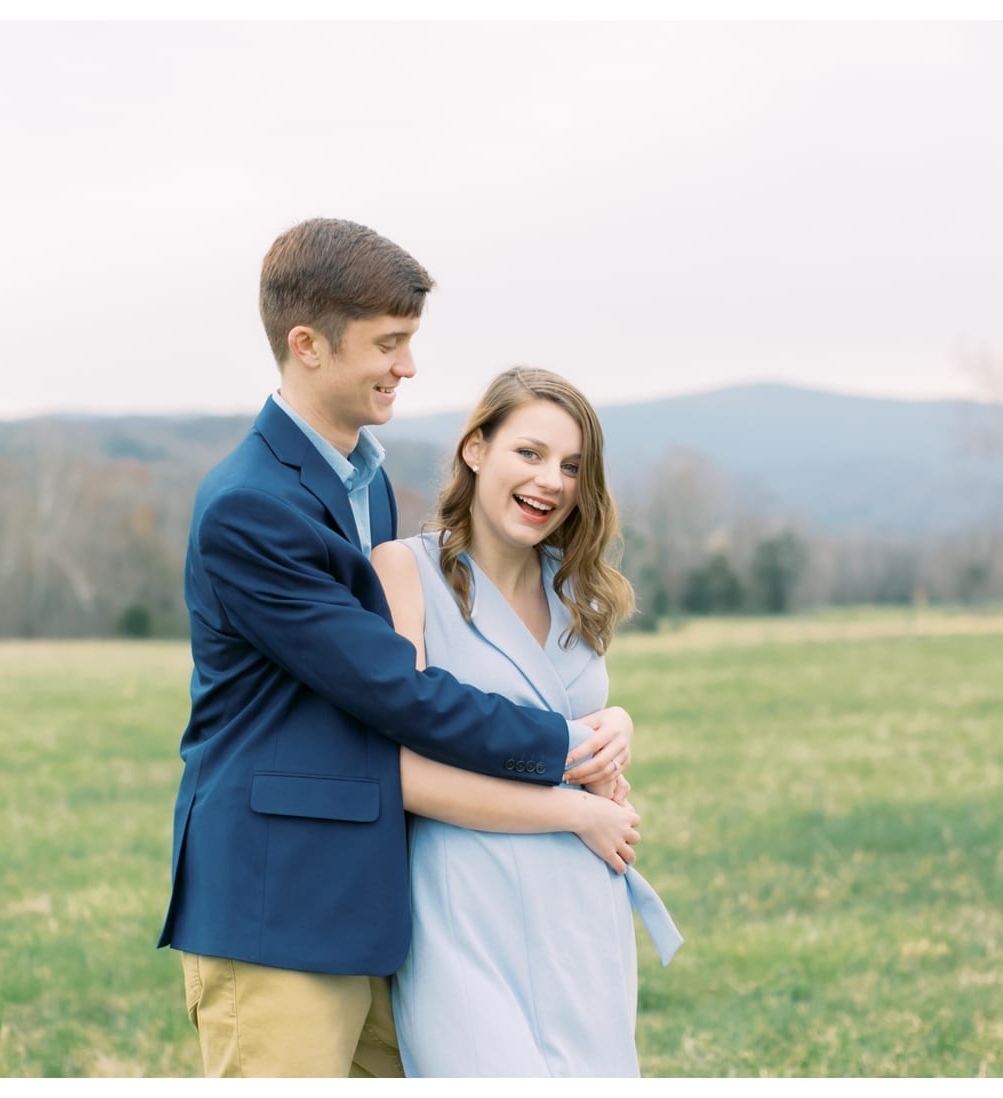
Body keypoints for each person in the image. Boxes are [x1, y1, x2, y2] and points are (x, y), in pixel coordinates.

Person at [156, 218, 638, 1078]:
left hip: (379, 909)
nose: (407, 367)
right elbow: (396, 692)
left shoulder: (364, 484)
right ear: (308, 345)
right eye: (389, 343)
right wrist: (568, 749)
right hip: (280, 903)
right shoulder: (251, 506)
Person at [371, 366, 683, 1078]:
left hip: (581, 911)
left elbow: (568, 720)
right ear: (476, 449)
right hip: (466, 909)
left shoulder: (574, 590)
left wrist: (618, 724)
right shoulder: (403, 572)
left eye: (573, 466)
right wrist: (575, 816)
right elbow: (401, 772)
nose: (552, 481)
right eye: (530, 453)